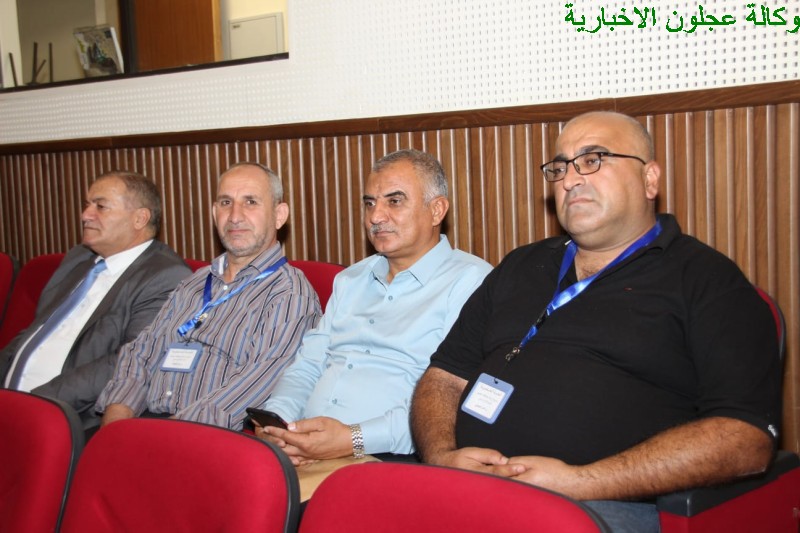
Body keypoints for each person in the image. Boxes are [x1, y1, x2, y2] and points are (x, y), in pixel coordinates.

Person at [410, 112, 781, 532]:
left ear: (650, 179)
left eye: (592, 160)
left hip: (603, 505)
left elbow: (744, 436)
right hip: (465, 490)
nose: (570, 179)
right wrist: (442, 456)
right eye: (560, 167)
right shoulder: (521, 265)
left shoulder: (706, 280)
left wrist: (581, 482)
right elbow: (443, 377)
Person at [255, 149, 492, 464]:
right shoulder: (350, 280)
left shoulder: (472, 282)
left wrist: (352, 439)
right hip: (306, 450)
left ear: (436, 210)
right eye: (369, 203)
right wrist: (279, 425)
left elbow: (448, 402)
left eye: (394, 201)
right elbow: (307, 366)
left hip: (391, 458)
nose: (375, 217)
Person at [96, 162, 321, 429]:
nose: (235, 216)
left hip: (208, 437)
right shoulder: (193, 283)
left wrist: (156, 439)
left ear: (279, 215)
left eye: (250, 202)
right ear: (215, 213)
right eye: (226, 203)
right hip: (142, 424)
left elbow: (252, 387)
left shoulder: (289, 295)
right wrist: (116, 425)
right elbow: (141, 353)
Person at [0, 171, 190, 430]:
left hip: (67, 417)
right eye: (87, 205)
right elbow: (37, 332)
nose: (85, 215)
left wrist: (32, 404)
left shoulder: (165, 276)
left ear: (139, 218)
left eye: (100, 206)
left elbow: (127, 362)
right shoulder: (79, 259)